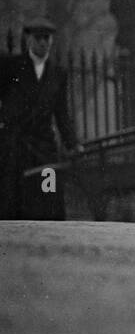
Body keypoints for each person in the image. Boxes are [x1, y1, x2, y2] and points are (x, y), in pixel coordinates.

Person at [0, 16, 81, 219]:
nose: (43, 42)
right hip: (15, 144)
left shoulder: (58, 74)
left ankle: (50, 230)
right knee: (13, 197)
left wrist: (72, 143)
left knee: (49, 192)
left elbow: (61, 113)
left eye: (47, 38)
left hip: (43, 143)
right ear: (29, 40)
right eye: (38, 38)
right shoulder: (12, 67)